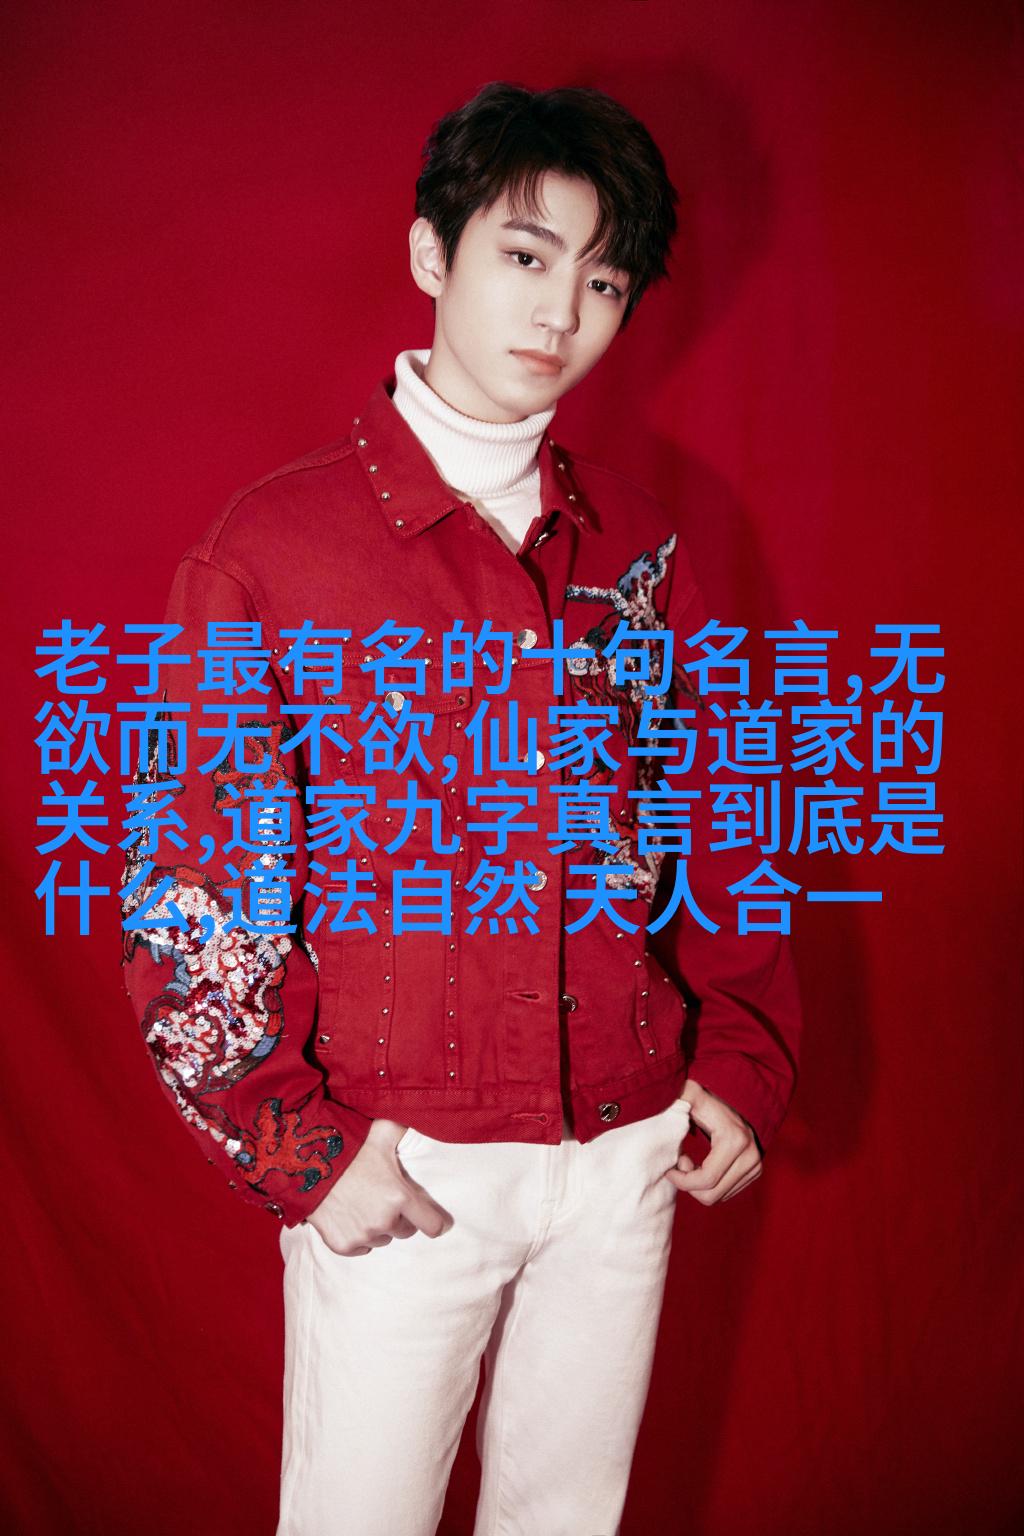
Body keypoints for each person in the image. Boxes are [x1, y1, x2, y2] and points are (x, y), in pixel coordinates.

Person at [121, 81, 801, 1536]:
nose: (562, 310)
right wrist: (296, 1146)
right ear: (433, 253)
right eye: (526, 254)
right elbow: (193, 887)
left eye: (603, 279)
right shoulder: (274, 550)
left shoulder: (639, 547)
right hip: (402, 1162)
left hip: (621, 1150)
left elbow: (720, 810)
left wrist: (741, 1054)